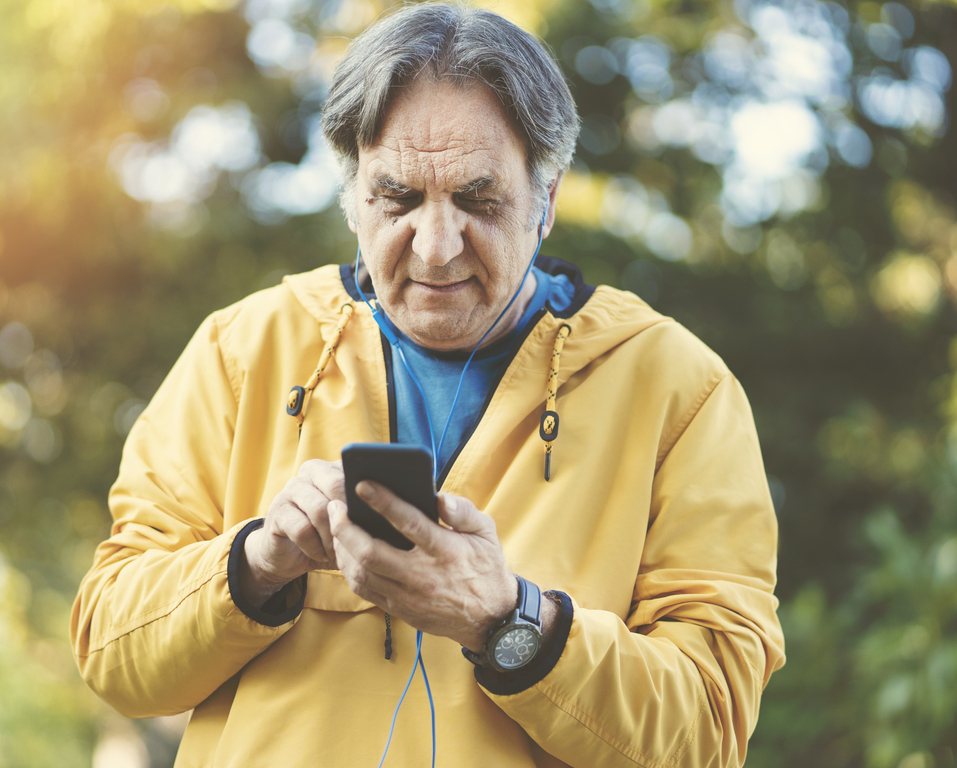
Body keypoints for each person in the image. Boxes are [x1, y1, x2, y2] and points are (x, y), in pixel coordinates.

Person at [70, 4, 785, 766]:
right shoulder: (240, 351)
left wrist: (508, 621)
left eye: (479, 201)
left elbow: (707, 730)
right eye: (397, 199)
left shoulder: (679, 390)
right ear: (351, 199)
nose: (437, 249)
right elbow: (113, 651)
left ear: (545, 201)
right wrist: (257, 561)